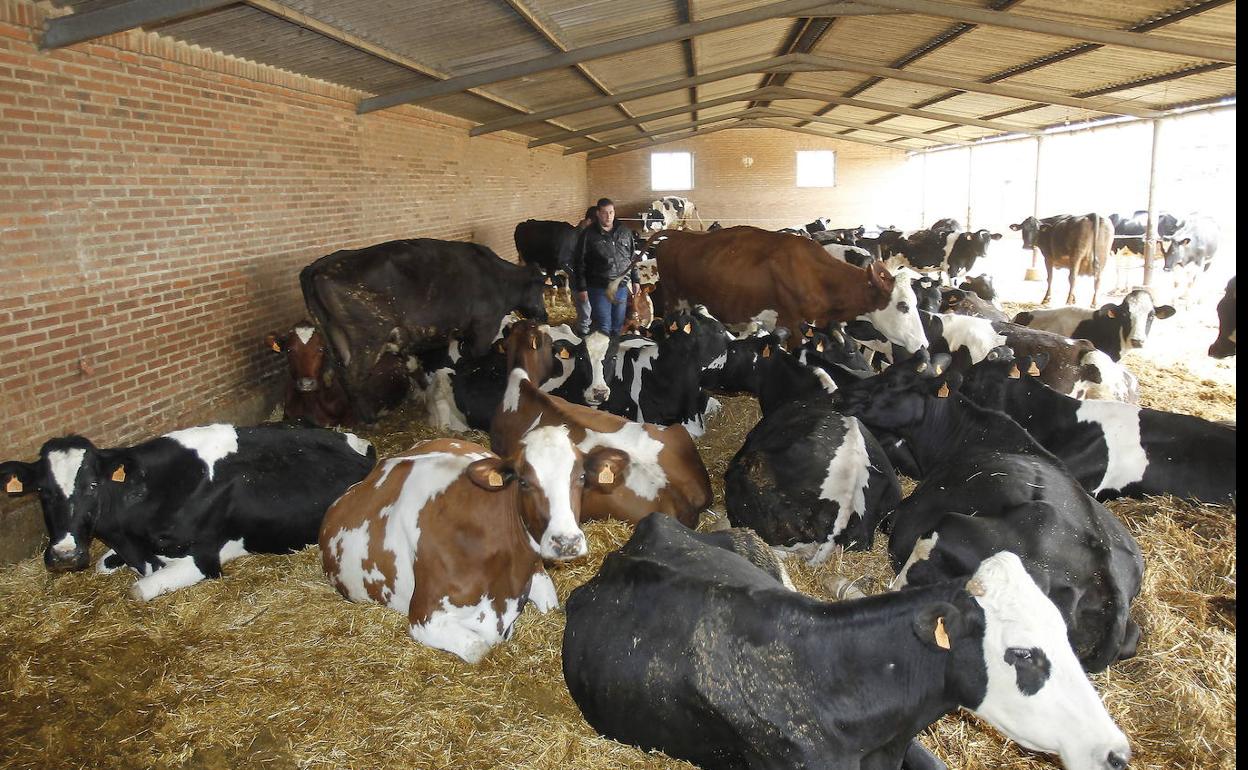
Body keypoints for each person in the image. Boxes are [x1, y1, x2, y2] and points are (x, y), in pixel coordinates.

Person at [572, 198, 641, 336]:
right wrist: (582, 288)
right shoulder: (588, 235)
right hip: (598, 287)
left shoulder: (624, 232)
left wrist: (636, 280)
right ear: (598, 214)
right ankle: (604, 349)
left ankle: (613, 348)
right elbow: (579, 262)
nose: (608, 216)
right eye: (604, 213)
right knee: (604, 325)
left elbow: (632, 257)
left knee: (618, 324)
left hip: (621, 286)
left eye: (611, 212)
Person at [571, 205, 598, 336]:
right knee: (585, 311)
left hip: (591, 281)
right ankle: (583, 336)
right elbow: (568, 261)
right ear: (589, 221)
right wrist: (580, 286)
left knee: (589, 309)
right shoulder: (574, 237)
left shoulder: (589, 234)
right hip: (580, 283)